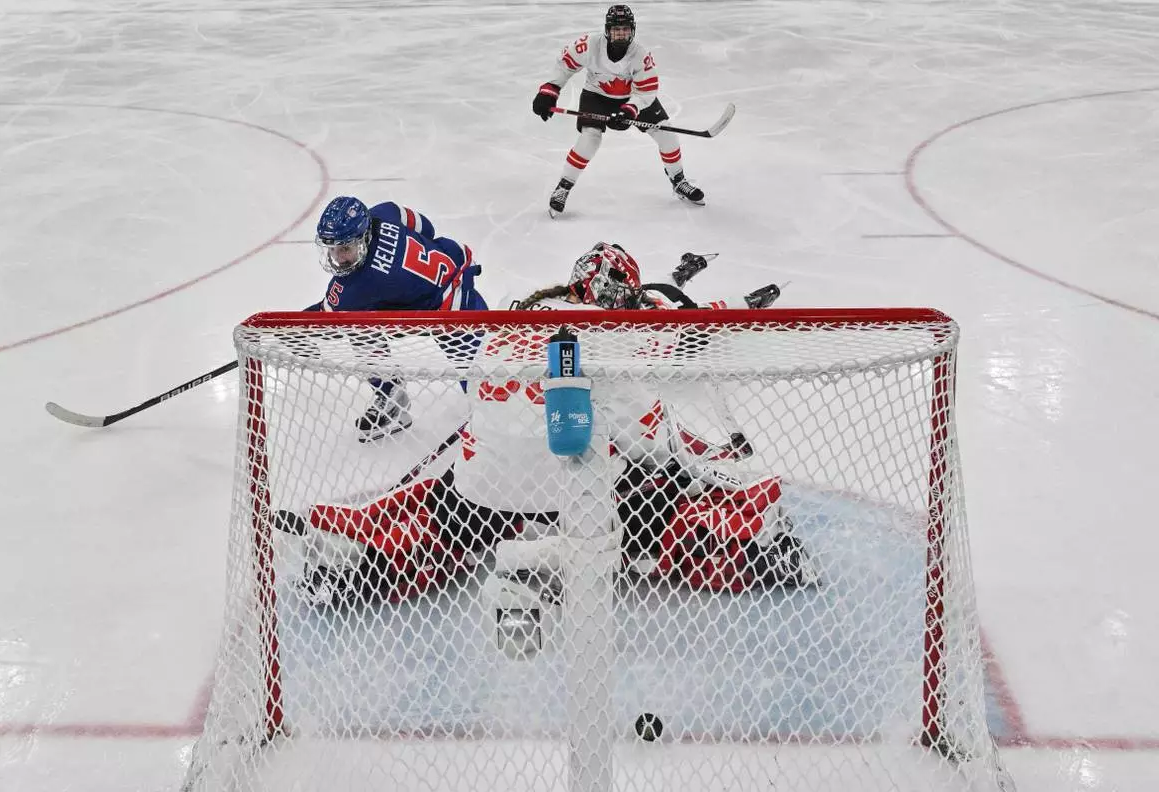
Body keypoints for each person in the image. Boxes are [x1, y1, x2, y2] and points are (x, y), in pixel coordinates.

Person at [294, 243, 815, 608]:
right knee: (659, 495)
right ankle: (746, 546)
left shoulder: (515, 314)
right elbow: (646, 438)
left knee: (448, 502)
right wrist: (678, 468)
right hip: (574, 498)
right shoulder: (610, 339)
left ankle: (366, 558)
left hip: (486, 490)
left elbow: (480, 398)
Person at [306, 195, 487, 441]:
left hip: (452, 311)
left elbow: (324, 319)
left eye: (345, 248)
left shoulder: (357, 285)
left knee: (487, 383)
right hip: (454, 269)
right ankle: (392, 399)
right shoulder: (384, 213)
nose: (339, 258)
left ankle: (493, 426)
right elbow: (425, 226)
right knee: (361, 324)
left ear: (364, 236)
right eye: (334, 249)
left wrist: (289, 332)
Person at [532, 5, 706, 218]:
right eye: (616, 29)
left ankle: (678, 181)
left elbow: (646, 92)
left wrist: (630, 110)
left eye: (625, 29)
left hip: (633, 98)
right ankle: (563, 187)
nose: (621, 33)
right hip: (596, 96)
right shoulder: (589, 45)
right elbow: (565, 64)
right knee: (590, 139)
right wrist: (550, 90)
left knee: (666, 134)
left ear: (632, 30)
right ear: (607, 30)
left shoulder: (641, 55)